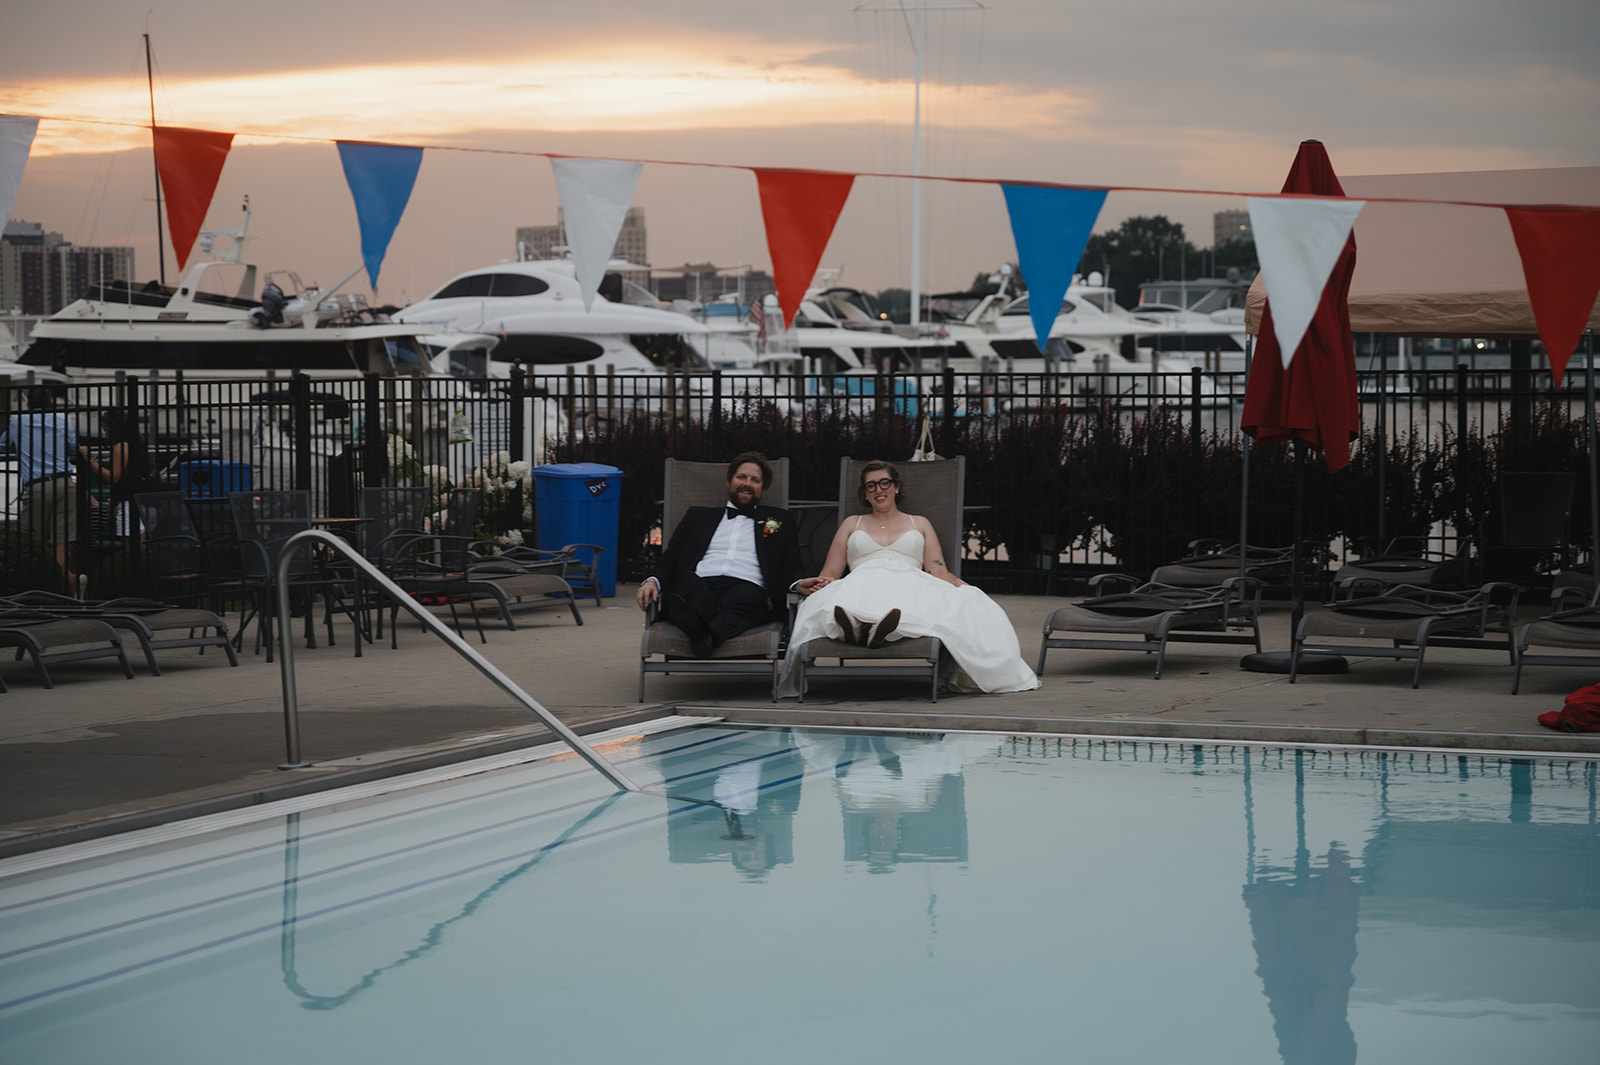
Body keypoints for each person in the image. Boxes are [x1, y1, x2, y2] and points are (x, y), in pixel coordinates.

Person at [775, 458, 1039, 698]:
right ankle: (865, 628)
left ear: (896, 487)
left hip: (909, 581)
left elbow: (937, 570)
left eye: (884, 483)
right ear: (864, 494)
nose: (878, 490)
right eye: (871, 486)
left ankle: (865, 630)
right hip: (862, 580)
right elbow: (830, 574)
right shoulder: (852, 523)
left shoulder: (919, 523)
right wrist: (815, 585)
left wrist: (966, 588)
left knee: (961, 603)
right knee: (840, 599)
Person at [637, 452, 829, 656]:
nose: (747, 483)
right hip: (701, 584)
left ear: (763, 489)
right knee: (685, 586)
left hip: (747, 587)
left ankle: (695, 629)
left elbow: (790, 566)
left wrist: (796, 584)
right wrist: (652, 580)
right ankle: (706, 637)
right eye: (741, 477)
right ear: (729, 481)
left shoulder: (780, 519)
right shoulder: (697, 516)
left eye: (755, 480)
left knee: (739, 600)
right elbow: (671, 558)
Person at [0, 386, 81, 592]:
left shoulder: (19, 422)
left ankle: (36, 589)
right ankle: (65, 587)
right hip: (65, 482)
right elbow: (73, 449)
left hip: (37, 485)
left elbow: (2, 445)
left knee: (29, 540)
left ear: (27, 404)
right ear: (51, 403)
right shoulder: (63, 422)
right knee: (61, 542)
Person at [79, 408, 152, 539]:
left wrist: (90, 460)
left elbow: (113, 477)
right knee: (141, 542)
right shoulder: (137, 444)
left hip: (129, 503)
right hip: (142, 498)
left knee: (131, 544)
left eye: (105, 428)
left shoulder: (121, 446)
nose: (105, 433)